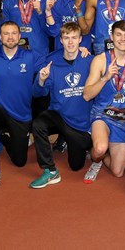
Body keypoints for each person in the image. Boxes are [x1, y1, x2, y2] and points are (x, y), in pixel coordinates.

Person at [31, 22, 94, 188]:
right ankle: (50, 170)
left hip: (80, 124)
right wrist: (41, 80)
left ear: (80, 39)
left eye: (74, 38)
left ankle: (69, 140)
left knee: (76, 166)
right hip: (58, 116)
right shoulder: (51, 61)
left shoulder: (89, 60)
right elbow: (37, 93)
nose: (70, 42)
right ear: (61, 40)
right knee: (38, 124)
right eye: (66, 38)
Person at [0, 22, 45, 187]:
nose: (10, 37)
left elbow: (55, 59)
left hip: (21, 114)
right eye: (6, 33)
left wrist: (81, 50)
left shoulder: (31, 56)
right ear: (0, 37)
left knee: (20, 161)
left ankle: (4, 137)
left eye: (13, 33)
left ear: (19, 36)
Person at [82, 20, 125, 183]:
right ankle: (96, 157)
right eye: (118, 35)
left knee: (118, 172)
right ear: (111, 37)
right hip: (101, 115)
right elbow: (87, 95)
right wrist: (105, 77)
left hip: (122, 119)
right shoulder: (100, 60)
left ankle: (102, 157)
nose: (122, 39)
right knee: (100, 148)